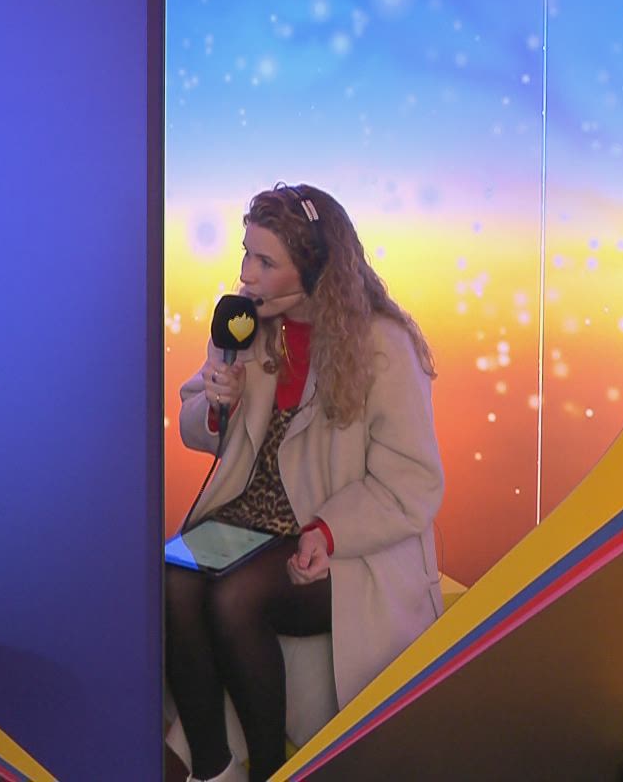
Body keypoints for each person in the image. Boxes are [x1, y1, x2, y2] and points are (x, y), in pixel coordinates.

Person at [167, 183, 445, 782]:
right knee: (173, 580)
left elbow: (411, 482)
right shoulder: (242, 325)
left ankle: (271, 771)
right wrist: (219, 405)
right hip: (249, 523)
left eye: (265, 262)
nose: (247, 274)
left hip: (342, 539)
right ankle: (214, 771)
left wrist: (328, 530)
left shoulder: (383, 345)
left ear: (315, 268)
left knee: (236, 597)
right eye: (246, 253)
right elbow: (195, 422)